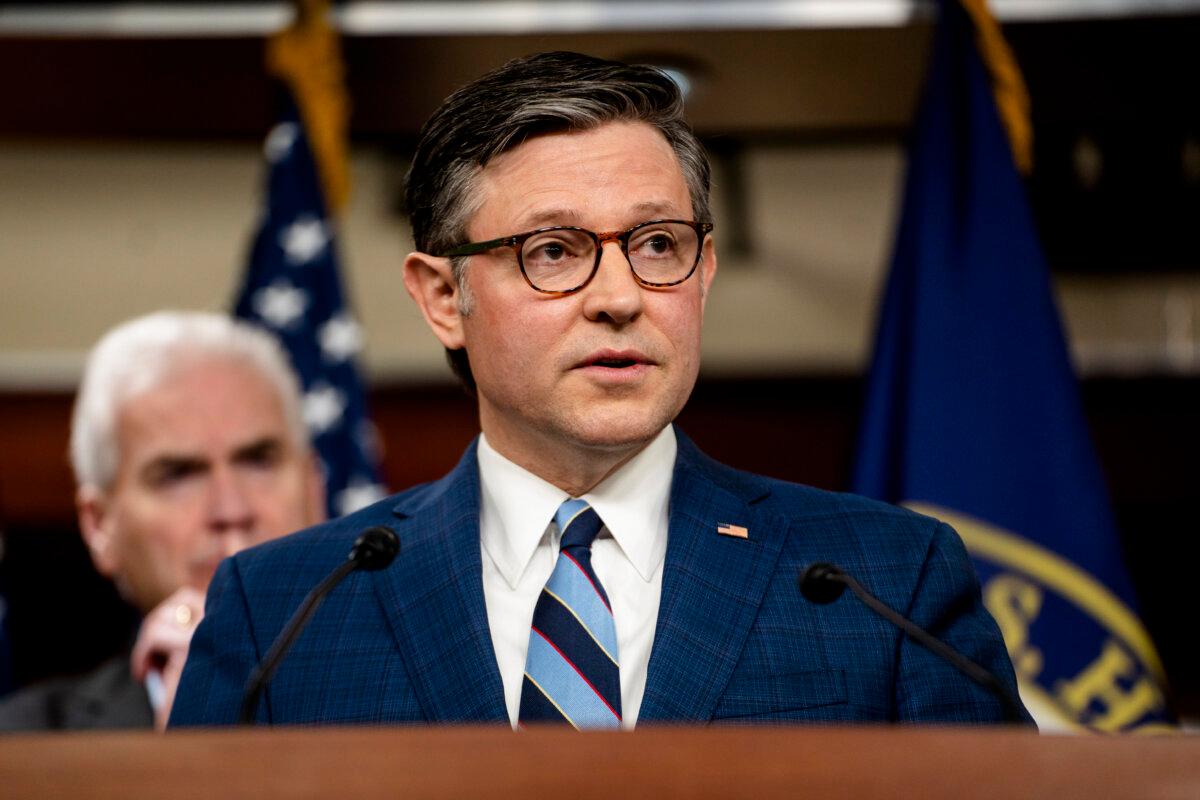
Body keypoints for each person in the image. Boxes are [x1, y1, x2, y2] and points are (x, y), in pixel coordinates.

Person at [171, 52, 1029, 728]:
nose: (620, 298)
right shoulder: (284, 610)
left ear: (704, 272)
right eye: (553, 251)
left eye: (658, 245)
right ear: (444, 298)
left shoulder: (880, 582)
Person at [0, 312, 324, 731]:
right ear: (100, 527)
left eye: (258, 460)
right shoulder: (24, 747)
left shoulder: (418, 711)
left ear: (314, 490)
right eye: (178, 475)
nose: (230, 509)